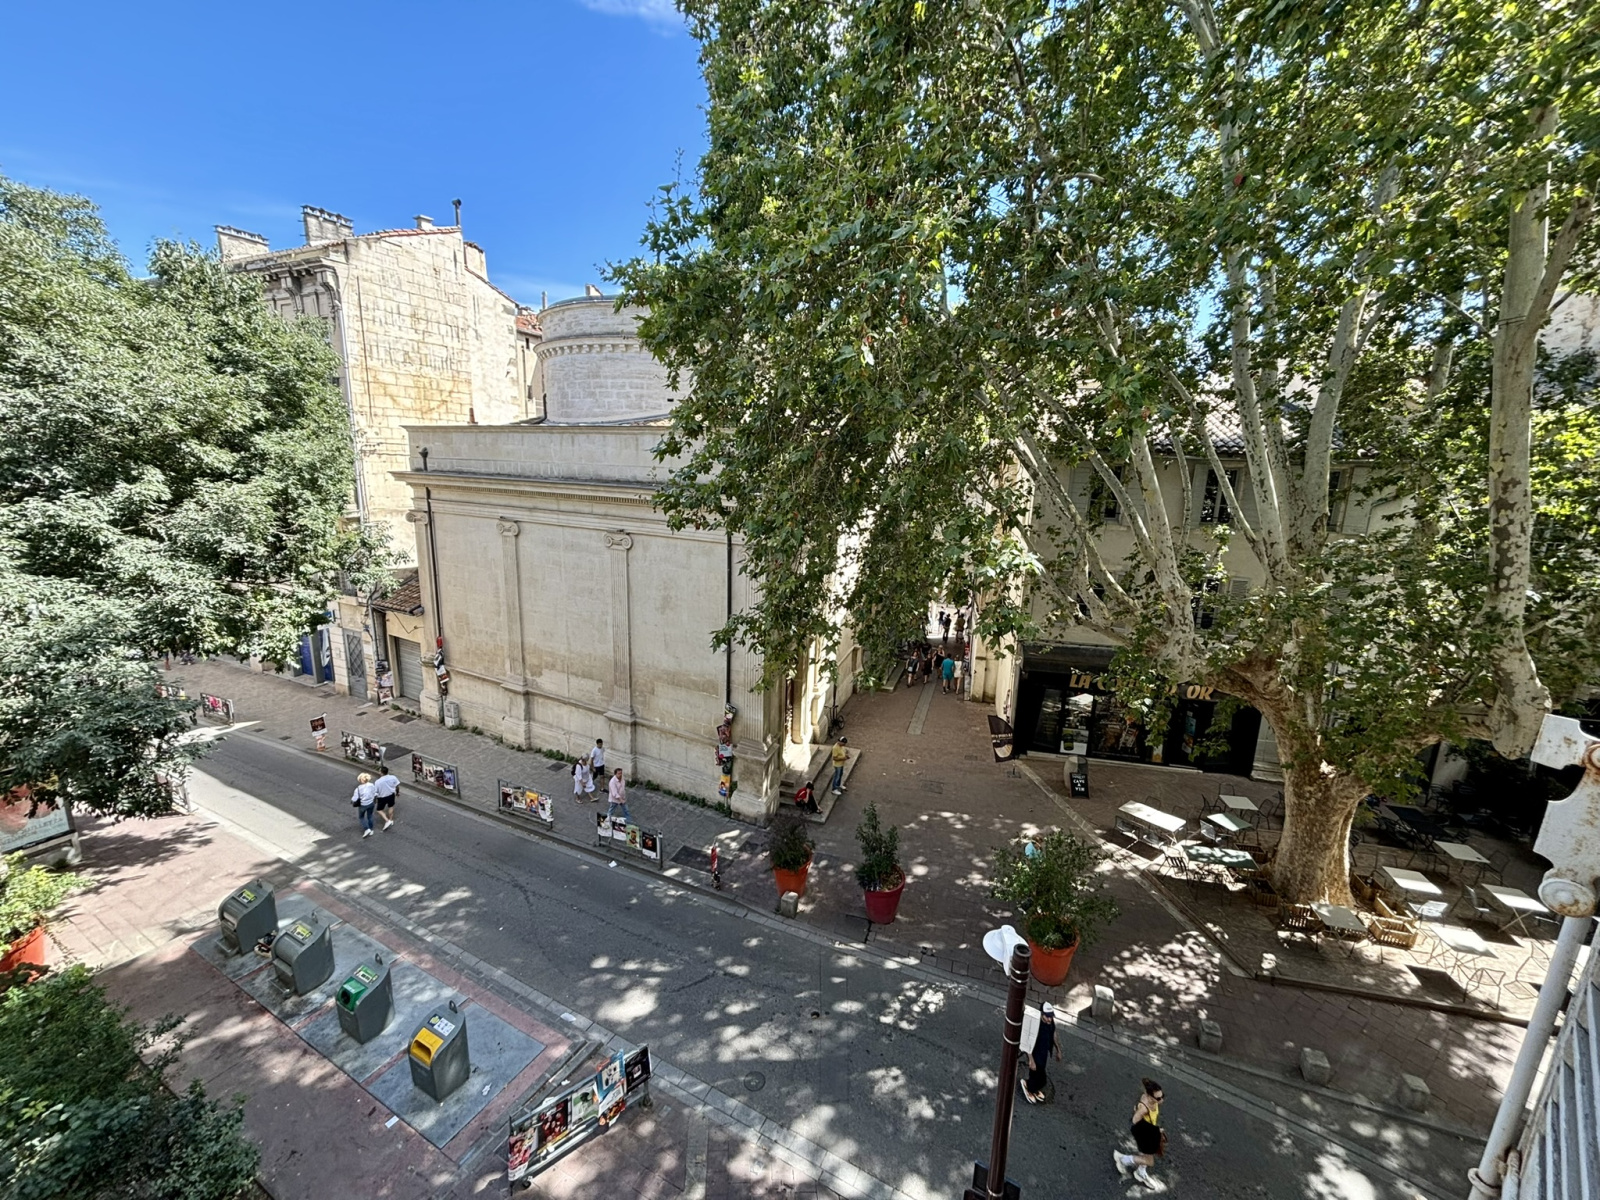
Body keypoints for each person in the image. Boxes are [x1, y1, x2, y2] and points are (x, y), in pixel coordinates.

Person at [1113, 1078, 1165, 1186]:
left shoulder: (1150, 1099)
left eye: (1162, 1096)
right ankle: (1123, 1160)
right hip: (1144, 1133)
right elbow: (1135, 1121)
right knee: (1149, 1161)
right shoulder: (1144, 1108)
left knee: (1146, 1154)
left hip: (1149, 1131)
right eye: (1158, 1098)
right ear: (1149, 1096)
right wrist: (1155, 1130)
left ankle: (1141, 1172)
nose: (1161, 1100)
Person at [1021, 1002, 1061, 1103]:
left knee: (1041, 1078)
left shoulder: (1050, 1022)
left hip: (1044, 1053)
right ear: (1042, 1014)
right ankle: (1029, 1088)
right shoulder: (1036, 1024)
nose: (1050, 1019)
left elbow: (1053, 1033)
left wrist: (1058, 1049)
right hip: (1036, 1053)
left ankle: (1033, 1088)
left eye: (1051, 1016)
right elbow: (1028, 1040)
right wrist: (1031, 1060)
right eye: (1047, 1016)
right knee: (1036, 1074)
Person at [350, 772, 377, 838]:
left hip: (363, 805)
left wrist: (352, 801)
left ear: (360, 780)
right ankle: (371, 829)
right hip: (371, 803)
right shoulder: (371, 785)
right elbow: (375, 793)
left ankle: (367, 829)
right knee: (370, 816)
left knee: (361, 817)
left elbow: (355, 798)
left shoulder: (358, 789)